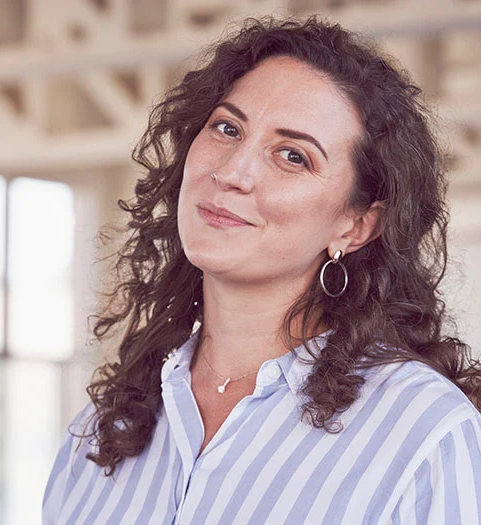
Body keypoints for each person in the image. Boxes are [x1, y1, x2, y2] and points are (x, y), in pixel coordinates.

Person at [43, 16, 481, 524]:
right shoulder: (99, 435)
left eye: (292, 156)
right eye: (227, 128)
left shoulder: (424, 436)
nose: (232, 171)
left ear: (357, 225)